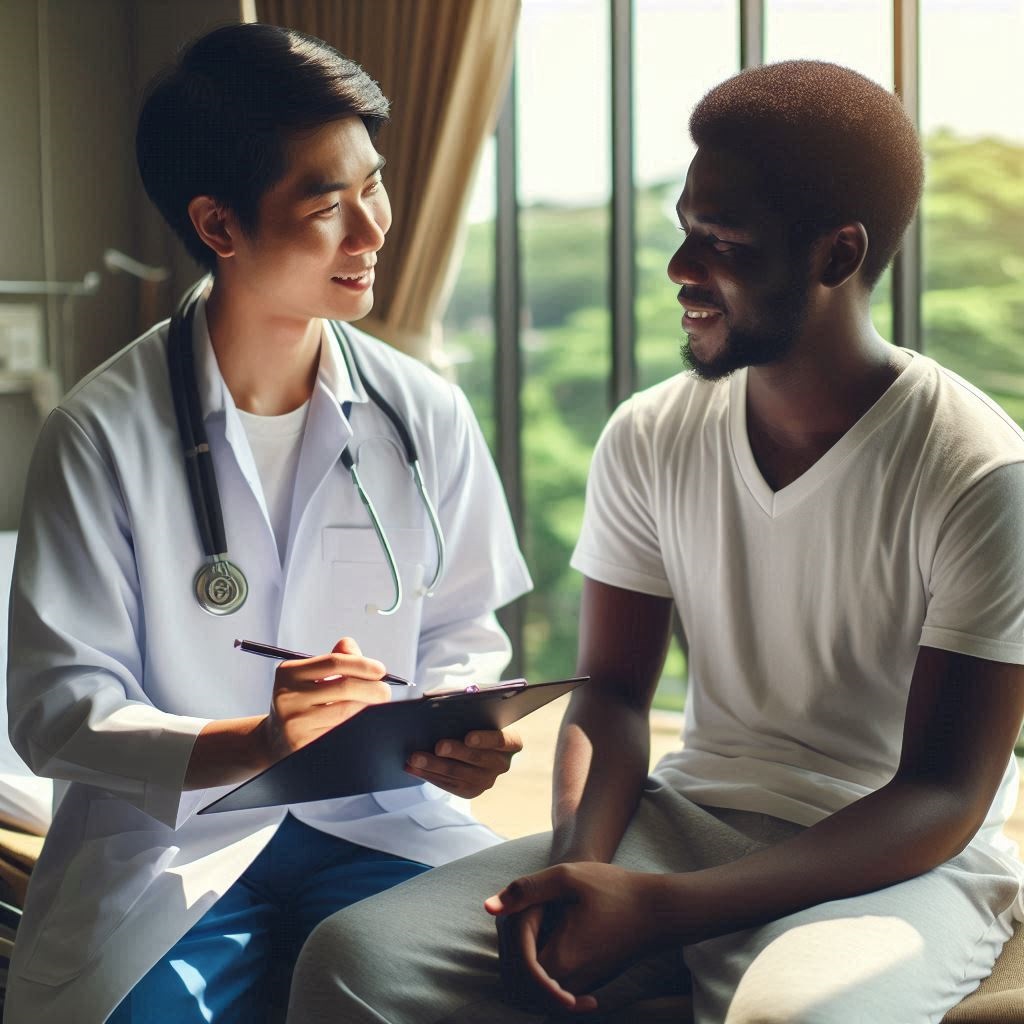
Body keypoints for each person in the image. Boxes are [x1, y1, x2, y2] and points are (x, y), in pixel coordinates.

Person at [285, 60, 1024, 1024]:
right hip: (683, 821)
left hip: (890, 861)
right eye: (684, 230)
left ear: (837, 255)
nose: (681, 268)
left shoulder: (979, 474)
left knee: (791, 1019)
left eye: (722, 242)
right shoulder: (649, 433)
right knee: (354, 962)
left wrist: (666, 910)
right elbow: (617, 696)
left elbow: (942, 795)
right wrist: (582, 870)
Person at [4, 21, 531, 1024]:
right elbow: (58, 710)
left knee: (517, 983)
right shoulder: (100, 434)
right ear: (219, 225)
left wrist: (465, 715)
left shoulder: (424, 413)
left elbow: (463, 628)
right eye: (328, 205)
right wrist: (257, 737)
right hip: (174, 846)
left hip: (381, 823)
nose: (373, 231)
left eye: (373, 185)